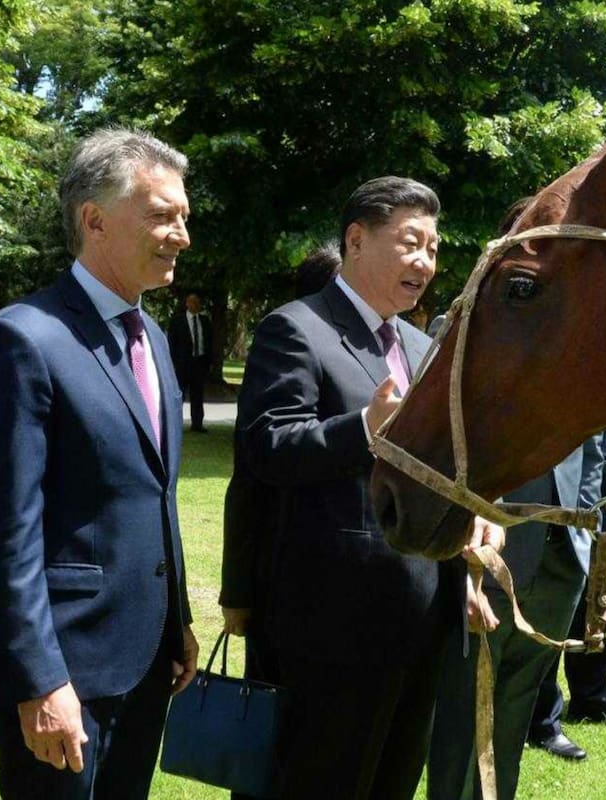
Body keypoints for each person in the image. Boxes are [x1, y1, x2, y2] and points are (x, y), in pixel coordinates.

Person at [0, 127, 198, 798]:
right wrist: (38, 680)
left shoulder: (154, 338)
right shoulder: (21, 340)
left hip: (145, 661)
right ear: (95, 219)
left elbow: (150, 493)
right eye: (163, 215)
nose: (182, 235)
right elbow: (4, 532)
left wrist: (179, 622)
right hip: (64, 670)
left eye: (184, 218)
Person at [237, 176, 501, 800]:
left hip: (420, 621)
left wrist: (471, 519)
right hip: (328, 628)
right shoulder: (295, 329)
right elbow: (265, 449)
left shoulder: (420, 344)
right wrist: (363, 428)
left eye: (434, 249)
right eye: (411, 243)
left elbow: (438, 465)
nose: (427, 263)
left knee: (392, 781)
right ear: (356, 239)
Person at [219, 242, 346, 794]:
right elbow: (248, 481)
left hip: (349, 592)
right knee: (274, 732)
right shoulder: (289, 342)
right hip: (283, 581)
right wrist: (237, 593)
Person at [428, 441, 601, 799]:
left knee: (515, 711)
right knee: (464, 714)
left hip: (562, 565)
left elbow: (592, 455)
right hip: (489, 559)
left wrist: (582, 533)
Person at [527, 417, 606, 762]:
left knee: (598, 603)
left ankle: (591, 698)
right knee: (554, 605)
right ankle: (541, 718)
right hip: (564, 500)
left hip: (605, 500)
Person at [169, 292, 212, 432]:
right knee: (179, 394)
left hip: (199, 363)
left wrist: (208, 362)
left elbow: (209, 342)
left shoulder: (205, 321)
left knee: (197, 395)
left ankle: (197, 424)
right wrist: (174, 363)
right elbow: (172, 343)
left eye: (198, 302)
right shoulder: (177, 321)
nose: (196, 305)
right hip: (183, 364)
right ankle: (175, 423)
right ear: (187, 304)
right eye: (193, 302)